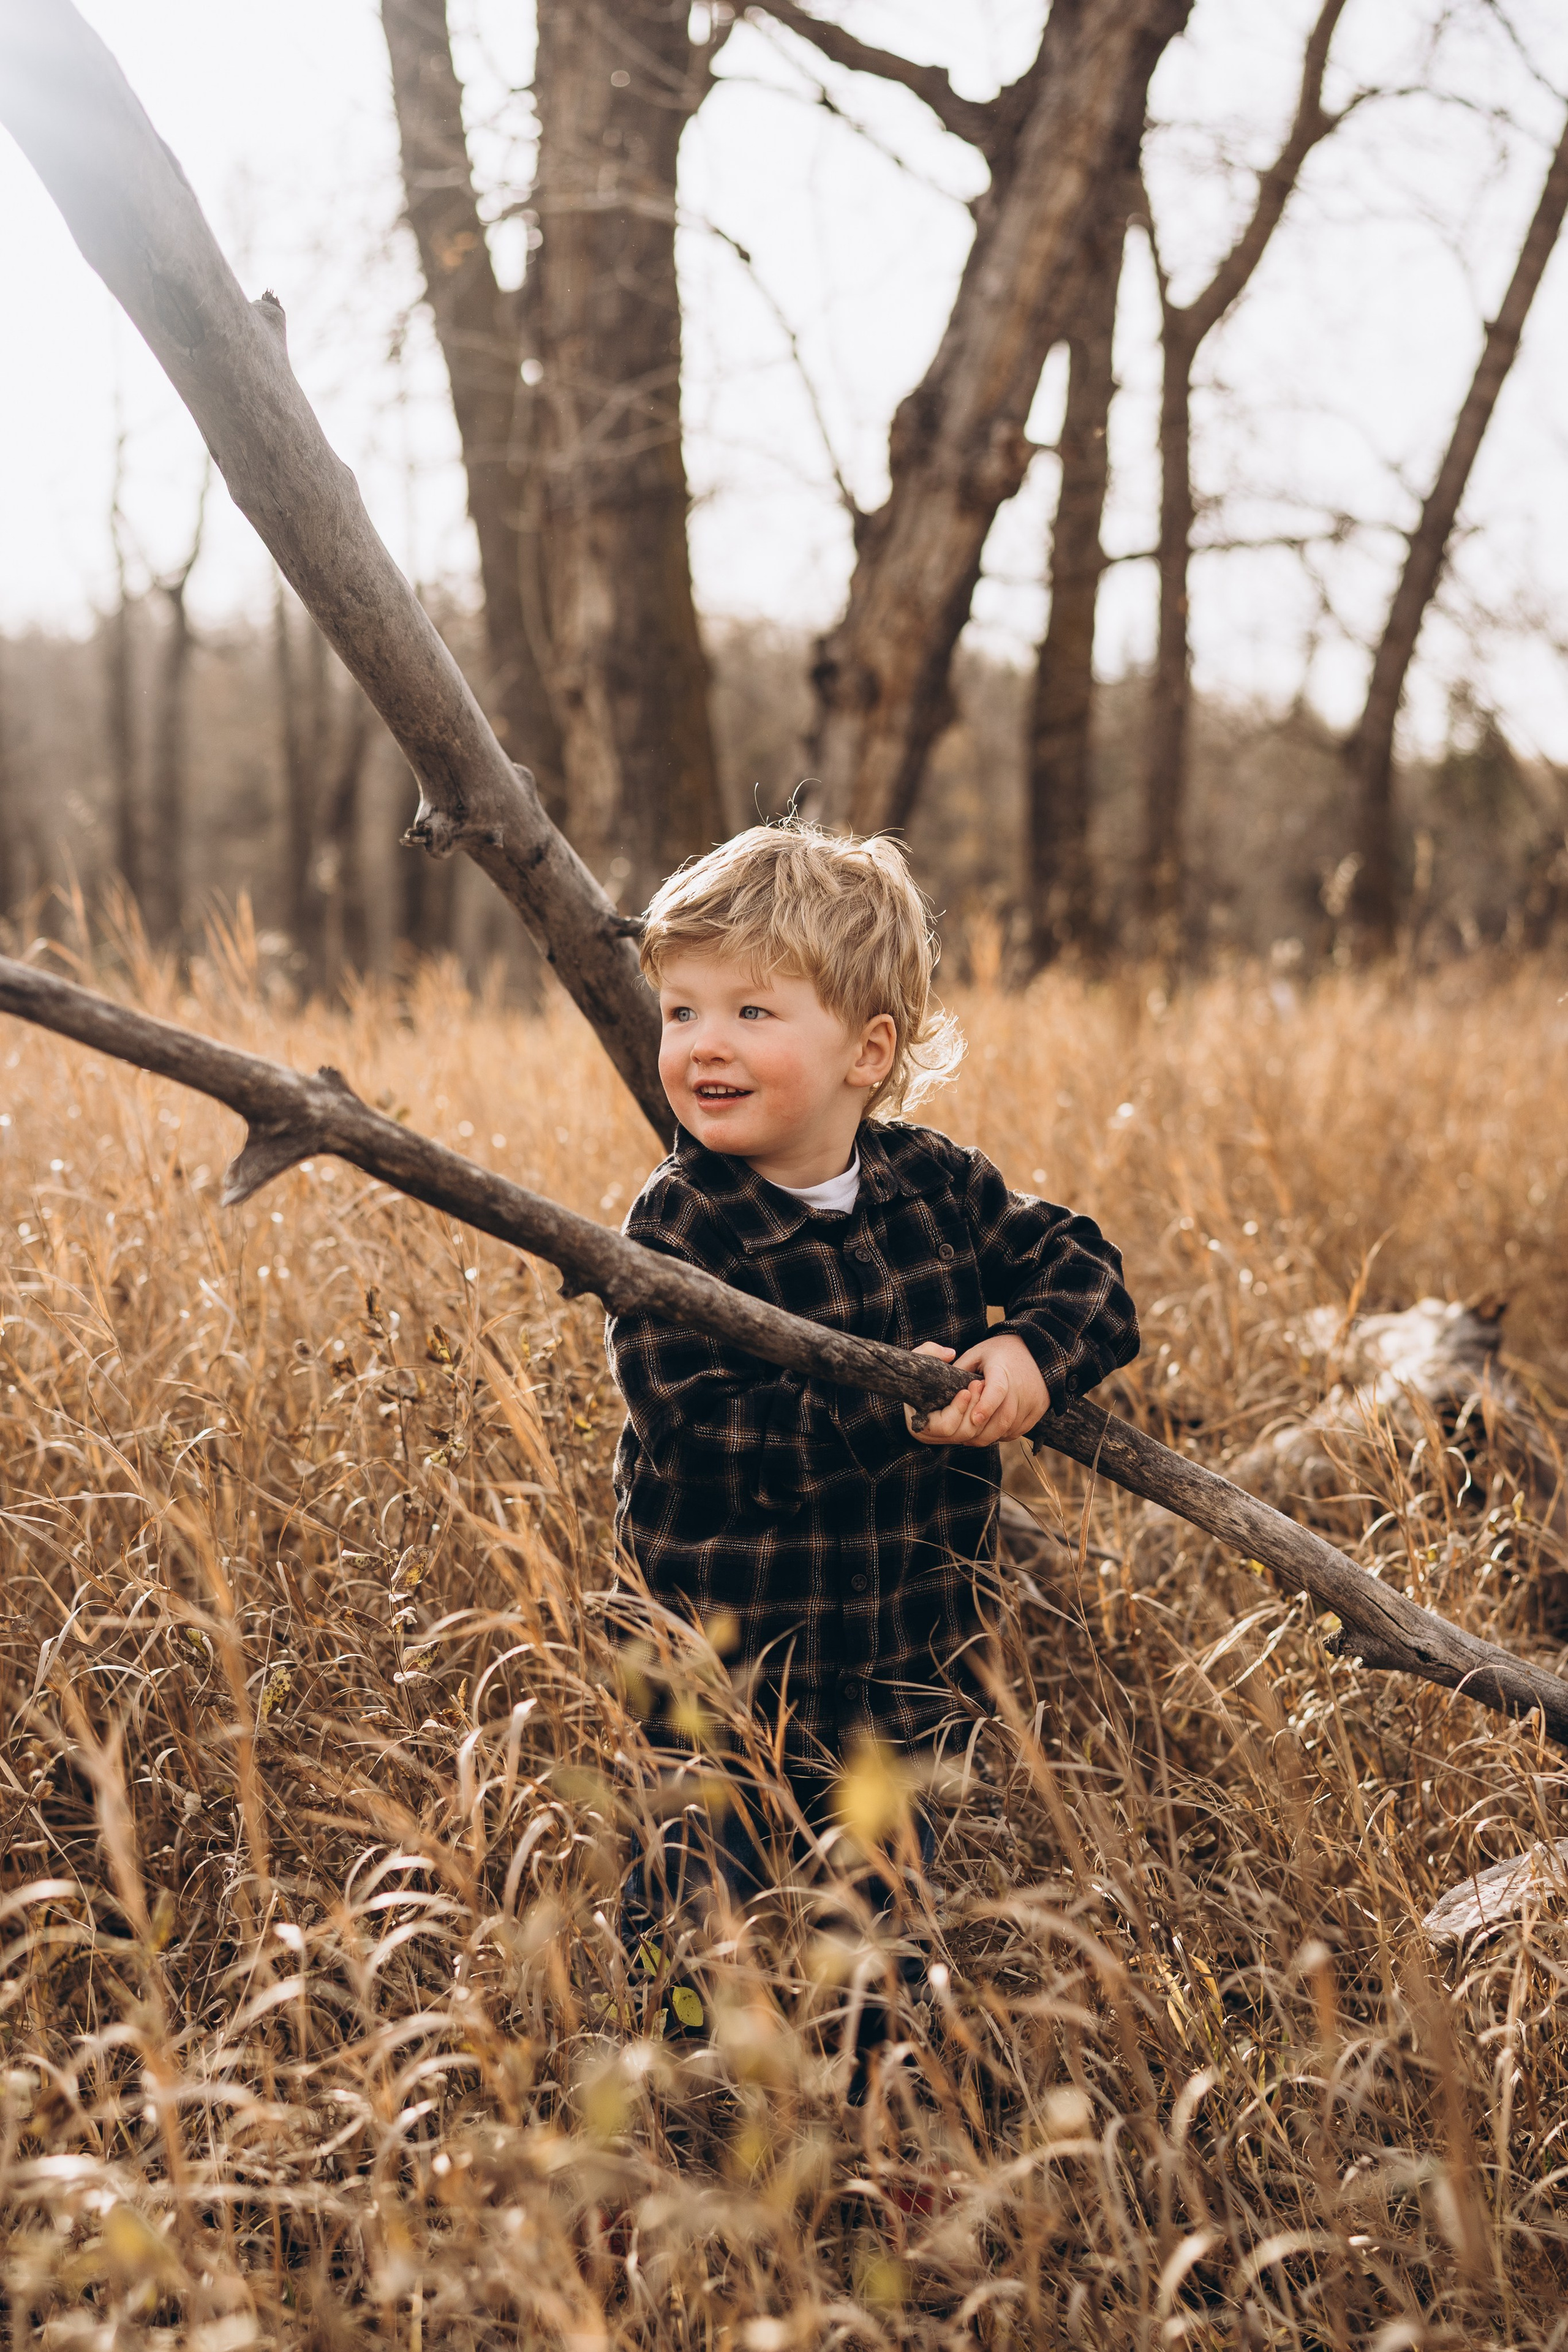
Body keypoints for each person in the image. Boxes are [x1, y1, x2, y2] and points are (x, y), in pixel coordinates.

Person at [604, 820, 1139, 2057]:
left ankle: (875, 2117)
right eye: (681, 1013)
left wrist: (1026, 1359)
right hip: (724, 1668)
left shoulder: (937, 1189)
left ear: (866, 1049)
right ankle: (675, 2098)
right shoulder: (677, 1223)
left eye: (750, 1010)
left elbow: (1086, 1274)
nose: (704, 1046)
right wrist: (886, 1401)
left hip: (905, 1656)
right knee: (696, 1905)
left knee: (882, 1918)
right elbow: (699, 1431)